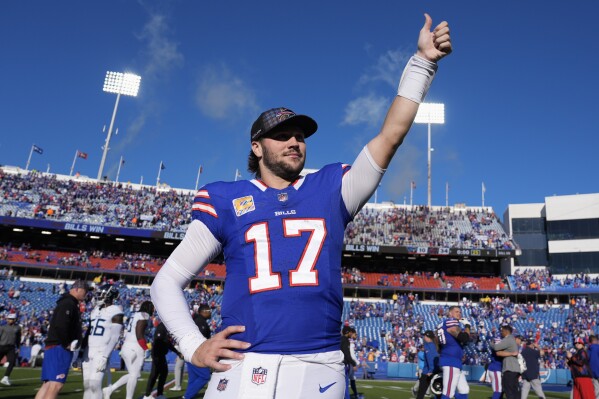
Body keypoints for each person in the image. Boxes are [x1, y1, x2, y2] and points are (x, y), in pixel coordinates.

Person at [151, 12, 452, 399]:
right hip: (244, 364)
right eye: (281, 136)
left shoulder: (331, 188)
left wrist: (422, 63)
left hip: (318, 365)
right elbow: (166, 280)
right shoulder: (224, 199)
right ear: (257, 148)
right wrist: (194, 346)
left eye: (299, 135)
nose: (294, 142)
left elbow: (390, 136)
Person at [35, 279, 89, 399]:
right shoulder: (69, 304)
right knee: (56, 384)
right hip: (59, 348)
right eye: (85, 291)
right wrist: (66, 344)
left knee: (47, 384)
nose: (87, 294)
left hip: (53, 346)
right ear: (77, 289)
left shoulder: (66, 302)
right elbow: (61, 325)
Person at [103, 300, 154, 399]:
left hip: (127, 345)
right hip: (135, 347)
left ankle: (110, 389)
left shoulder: (135, 314)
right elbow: (139, 334)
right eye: (153, 307)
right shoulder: (144, 315)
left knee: (134, 374)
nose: (154, 309)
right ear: (148, 307)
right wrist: (146, 348)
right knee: (134, 375)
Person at [82, 284, 124, 399]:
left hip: (101, 351)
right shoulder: (95, 310)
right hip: (88, 350)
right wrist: (81, 351)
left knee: (95, 384)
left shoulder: (116, 311)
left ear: (109, 295)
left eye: (102, 294)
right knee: (87, 385)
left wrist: (105, 356)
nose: (99, 296)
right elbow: (88, 332)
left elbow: (115, 337)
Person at [437, 306, 470, 399]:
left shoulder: (442, 324)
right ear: (450, 313)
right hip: (451, 361)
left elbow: (439, 343)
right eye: (456, 312)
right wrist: (467, 326)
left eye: (460, 312)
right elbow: (465, 338)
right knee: (448, 393)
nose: (459, 314)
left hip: (453, 360)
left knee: (464, 389)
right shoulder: (451, 322)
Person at [143, 320, 181, 399]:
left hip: (161, 355)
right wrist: (155, 357)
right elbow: (157, 342)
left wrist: (177, 352)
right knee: (154, 374)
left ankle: (159, 394)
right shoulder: (161, 327)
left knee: (163, 373)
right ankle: (147, 395)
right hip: (157, 355)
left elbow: (168, 343)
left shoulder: (166, 328)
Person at [183, 304, 213, 399]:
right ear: (203, 311)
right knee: (205, 376)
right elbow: (199, 341)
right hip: (196, 353)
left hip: (190, 352)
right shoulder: (200, 323)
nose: (210, 313)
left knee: (193, 378)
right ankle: (187, 396)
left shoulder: (198, 321)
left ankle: (188, 396)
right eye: (208, 311)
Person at [490, 325, 521, 399]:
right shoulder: (511, 339)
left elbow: (496, 347)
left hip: (510, 368)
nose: (501, 333)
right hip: (514, 369)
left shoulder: (508, 339)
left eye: (502, 331)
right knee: (514, 390)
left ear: (506, 331)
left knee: (508, 390)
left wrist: (491, 343)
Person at [415, 330, 439, 399]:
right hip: (430, 371)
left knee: (421, 392)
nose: (423, 337)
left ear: (427, 337)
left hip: (427, 372)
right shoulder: (432, 345)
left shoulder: (429, 346)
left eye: (424, 335)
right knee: (436, 391)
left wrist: (431, 370)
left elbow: (431, 358)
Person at [0, 313, 21, 386]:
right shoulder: (2, 327)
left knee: (12, 362)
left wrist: (18, 347)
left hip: (11, 348)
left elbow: (18, 338)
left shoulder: (18, 328)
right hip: (1, 346)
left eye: (11, 319)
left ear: (14, 320)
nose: (9, 320)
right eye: (8, 318)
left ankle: (5, 377)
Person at [341, 326, 357, 399]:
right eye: (350, 332)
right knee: (345, 384)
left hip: (341, 364)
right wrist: (353, 363)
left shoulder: (342, 339)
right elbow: (347, 354)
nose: (351, 334)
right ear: (347, 332)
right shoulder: (345, 340)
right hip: (344, 364)